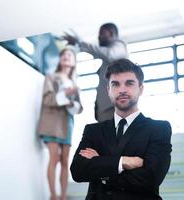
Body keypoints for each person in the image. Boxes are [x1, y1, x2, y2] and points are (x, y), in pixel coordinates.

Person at [70, 58, 172, 200]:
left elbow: (151, 178)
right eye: (115, 84)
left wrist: (101, 166)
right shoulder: (93, 131)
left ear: (141, 88)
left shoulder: (159, 129)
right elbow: (77, 171)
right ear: (108, 90)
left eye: (129, 83)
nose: (122, 90)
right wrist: (123, 162)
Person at [38, 48, 83, 200]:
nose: (66, 57)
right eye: (63, 54)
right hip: (52, 122)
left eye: (70, 55)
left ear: (74, 62)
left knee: (65, 161)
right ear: (59, 59)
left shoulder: (74, 82)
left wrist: (72, 102)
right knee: (54, 158)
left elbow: (78, 107)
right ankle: (53, 196)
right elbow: (47, 99)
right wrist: (66, 95)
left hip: (67, 123)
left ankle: (63, 197)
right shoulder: (51, 77)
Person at [64, 23, 128, 122]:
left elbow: (109, 54)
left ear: (111, 33)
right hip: (104, 111)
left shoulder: (120, 47)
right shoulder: (106, 61)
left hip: (114, 110)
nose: (98, 37)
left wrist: (80, 42)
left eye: (102, 33)